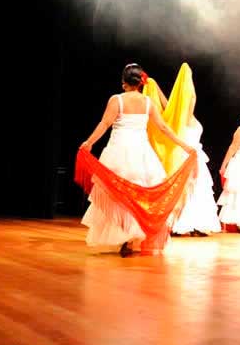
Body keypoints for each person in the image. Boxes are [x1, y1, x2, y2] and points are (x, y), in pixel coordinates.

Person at [79, 63, 196, 256]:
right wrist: (184, 145)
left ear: (123, 82)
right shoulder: (148, 102)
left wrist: (89, 142)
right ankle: (132, 237)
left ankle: (126, 235)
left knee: (118, 197)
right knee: (138, 197)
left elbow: (105, 123)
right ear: (141, 82)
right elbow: (163, 128)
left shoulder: (117, 99)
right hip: (141, 155)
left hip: (118, 153)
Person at [144, 64, 221, 237]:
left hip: (196, 155)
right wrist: (155, 86)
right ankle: (177, 224)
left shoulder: (189, 116)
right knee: (184, 190)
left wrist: (187, 76)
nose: (190, 100)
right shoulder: (179, 118)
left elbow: (190, 97)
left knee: (197, 190)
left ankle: (196, 224)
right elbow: (170, 103)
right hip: (183, 156)